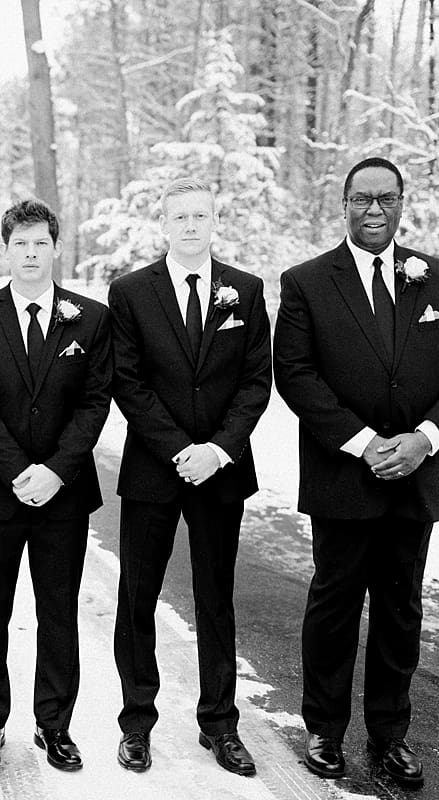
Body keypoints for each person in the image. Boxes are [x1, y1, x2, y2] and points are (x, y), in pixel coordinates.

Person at [274, 156, 439, 788]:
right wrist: (363, 442)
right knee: (334, 606)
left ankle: (391, 734)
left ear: (401, 203)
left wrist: (424, 439)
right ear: (343, 205)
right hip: (344, 477)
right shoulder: (307, 282)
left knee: (401, 608)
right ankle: (325, 730)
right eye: (362, 199)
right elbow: (296, 372)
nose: (374, 210)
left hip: (416, 477)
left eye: (386, 199)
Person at [108, 178, 271, 776]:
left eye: (201, 214)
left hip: (221, 472)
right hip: (155, 468)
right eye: (180, 216)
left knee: (215, 597)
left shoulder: (246, 291)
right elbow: (127, 380)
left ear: (214, 220)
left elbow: (258, 381)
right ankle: (136, 722)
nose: (191, 225)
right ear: (164, 223)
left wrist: (219, 450)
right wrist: (181, 449)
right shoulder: (129, 292)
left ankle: (220, 724)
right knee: (137, 596)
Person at [0, 198, 111, 772]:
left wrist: (55, 469)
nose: (30, 252)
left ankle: (55, 724)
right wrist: (17, 469)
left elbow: (95, 401)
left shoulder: (89, 318)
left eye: (40, 242)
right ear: (6, 250)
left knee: (58, 610)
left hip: (63, 492)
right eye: (20, 243)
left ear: (55, 247)